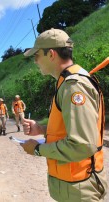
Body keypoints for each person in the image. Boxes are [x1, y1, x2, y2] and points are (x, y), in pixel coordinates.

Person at [21, 28, 107, 201]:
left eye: (37, 55)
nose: (35, 61)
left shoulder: (73, 85)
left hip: (80, 187)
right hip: (73, 185)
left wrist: (37, 149)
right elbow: (72, 130)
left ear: (51, 54)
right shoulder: (66, 82)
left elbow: (82, 145)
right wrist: (41, 129)